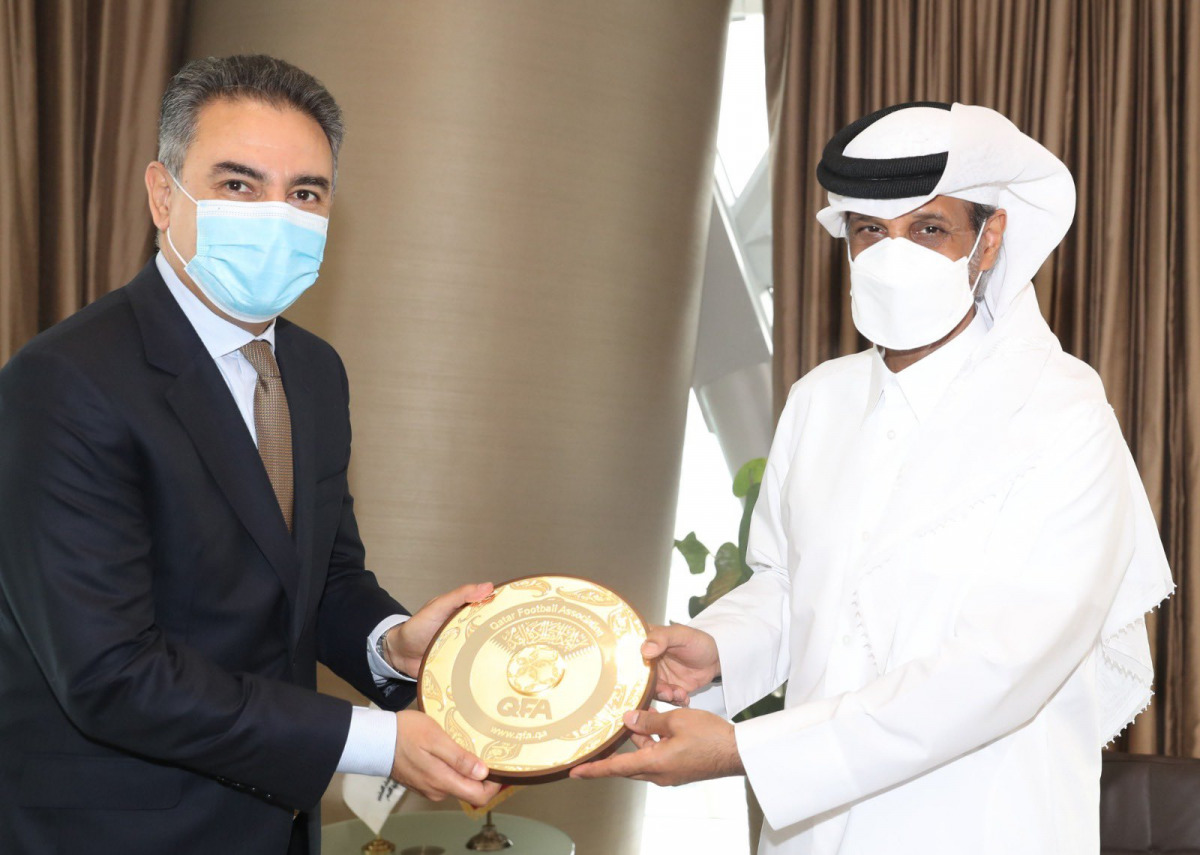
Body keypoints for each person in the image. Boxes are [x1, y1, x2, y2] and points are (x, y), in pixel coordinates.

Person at [572, 102, 1175, 854]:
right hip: (814, 830)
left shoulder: (1062, 416)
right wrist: (722, 646)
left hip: (982, 821)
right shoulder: (819, 398)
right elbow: (793, 582)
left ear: (989, 239)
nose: (894, 255)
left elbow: (998, 668)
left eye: (929, 229)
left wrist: (746, 751)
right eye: (870, 232)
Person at [0, 55, 501, 854]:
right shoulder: (64, 381)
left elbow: (321, 577)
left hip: (270, 827)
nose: (279, 214)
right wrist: (373, 740)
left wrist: (391, 643)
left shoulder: (313, 370)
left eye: (305, 192)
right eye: (239, 184)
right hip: (110, 830)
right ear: (164, 195)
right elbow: (110, 674)